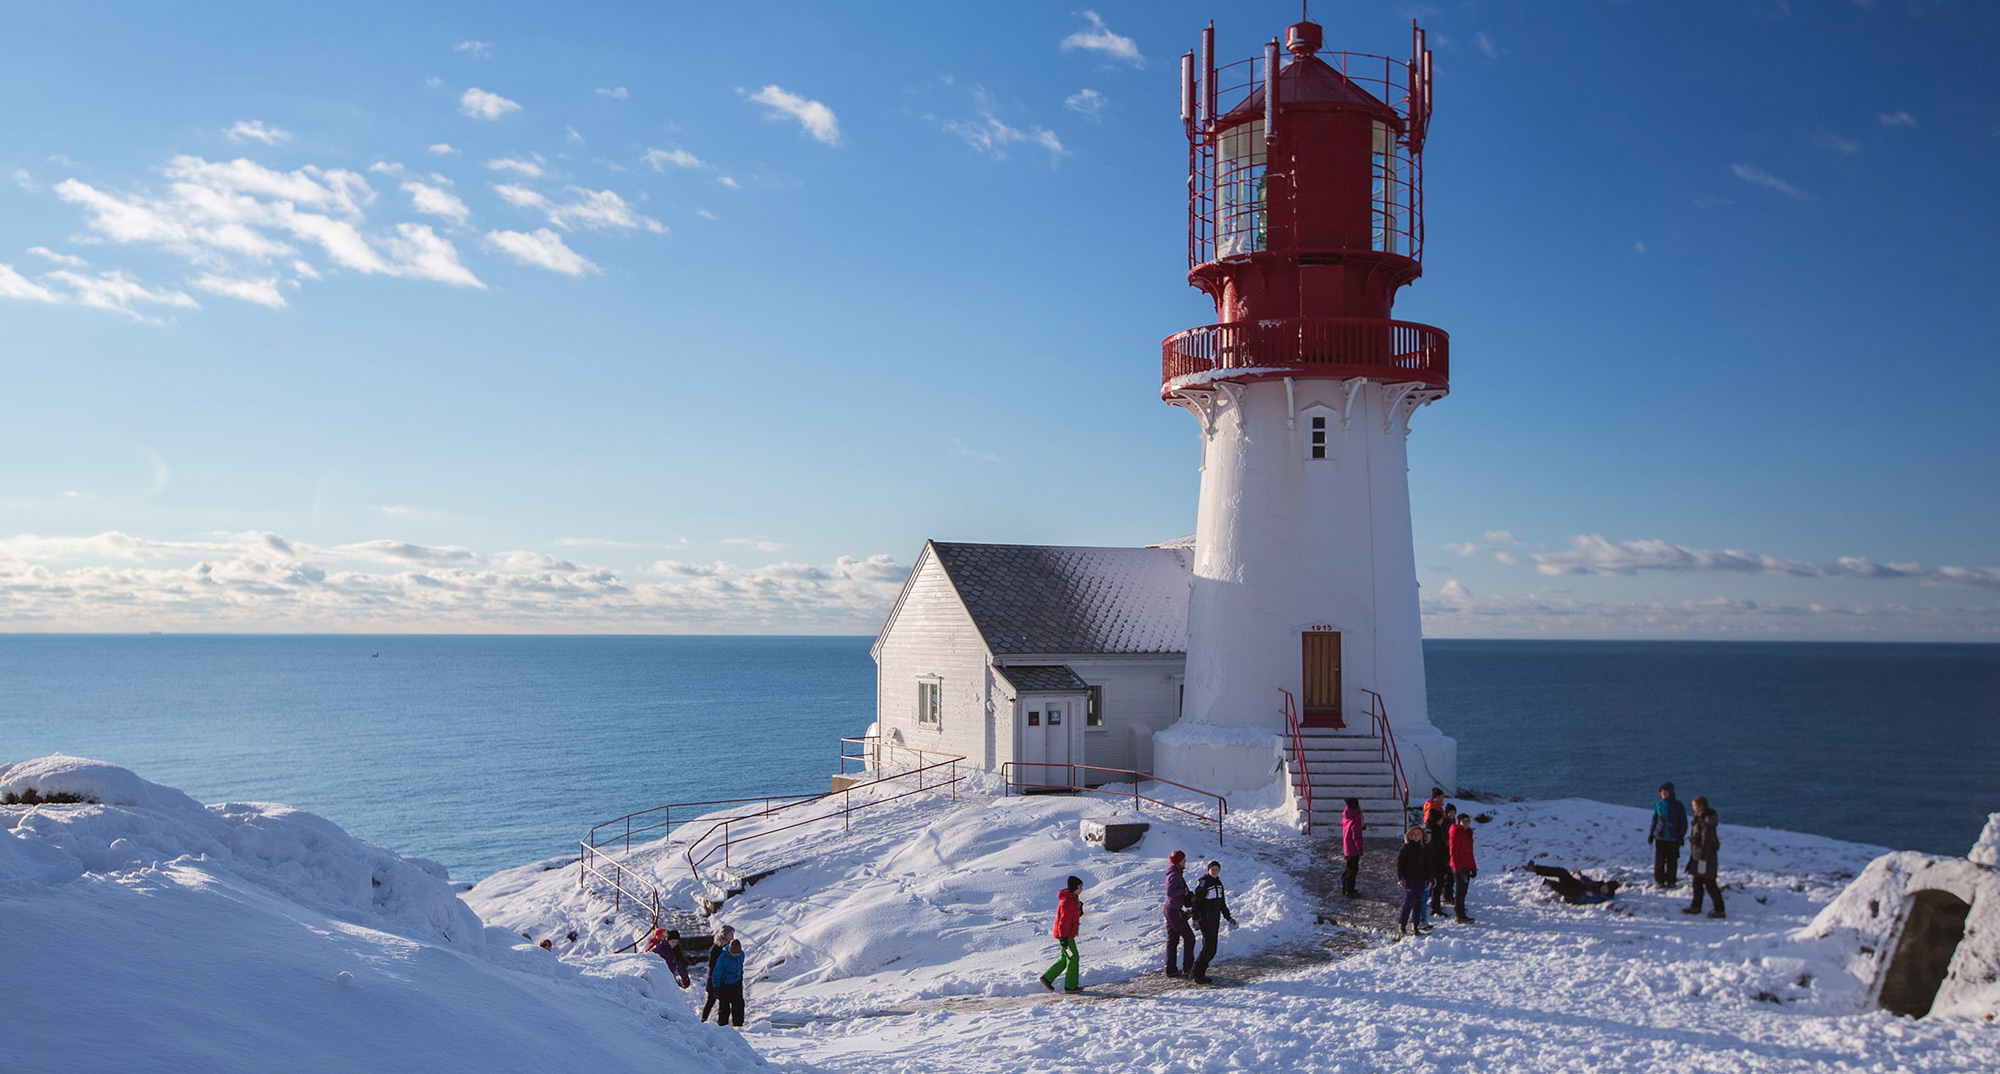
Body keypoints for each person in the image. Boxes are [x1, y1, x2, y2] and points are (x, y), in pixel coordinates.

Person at [1189, 859, 1237, 984]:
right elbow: (1195, 902)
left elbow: (1222, 903)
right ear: (1208, 870)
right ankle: (1196, 973)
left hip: (1215, 920)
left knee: (1212, 949)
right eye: (1212, 869)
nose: (1215, 871)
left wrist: (1228, 917)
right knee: (1209, 948)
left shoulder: (1219, 884)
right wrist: (1195, 918)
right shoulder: (1204, 883)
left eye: (1217, 869)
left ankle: (1200, 972)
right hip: (1205, 920)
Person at [1040, 875, 1085, 992]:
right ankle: (1070, 986)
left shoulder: (1073, 900)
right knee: (1073, 957)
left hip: (1066, 935)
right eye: (1080, 886)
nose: (1081, 889)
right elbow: (1063, 922)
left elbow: (1072, 918)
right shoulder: (1067, 902)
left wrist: (1079, 909)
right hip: (1065, 935)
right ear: (1074, 887)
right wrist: (1063, 938)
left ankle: (1047, 977)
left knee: (1065, 958)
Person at [1683, 796, 1724, 919]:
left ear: (1701, 806)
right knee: (1697, 882)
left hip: (1704, 858)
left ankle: (1719, 909)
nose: (1693, 808)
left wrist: (1702, 858)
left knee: (1709, 882)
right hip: (1699, 855)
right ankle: (1696, 906)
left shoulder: (1706, 822)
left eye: (1695, 806)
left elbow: (1706, 841)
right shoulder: (1700, 819)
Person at [1648, 782, 1689, 889]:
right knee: (1659, 861)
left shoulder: (1678, 806)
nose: (1663, 793)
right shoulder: (1659, 805)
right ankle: (1659, 881)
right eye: (1661, 792)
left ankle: (1671, 881)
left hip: (1673, 837)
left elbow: (1683, 822)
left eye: (1665, 791)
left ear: (1671, 792)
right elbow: (1655, 821)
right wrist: (1651, 834)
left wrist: (1681, 836)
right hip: (1660, 837)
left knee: (1672, 860)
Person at [1163, 850, 1196, 976]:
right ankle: (1188, 967)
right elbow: (1170, 892)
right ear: (1178, 861)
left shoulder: (1174, 872)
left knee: (1173, 939)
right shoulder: (1175, 875)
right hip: (1174, 910)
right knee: (1189, 938)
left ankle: (1170, 968)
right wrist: (1184, 891)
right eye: (1183, 859)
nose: (1185, 861)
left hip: (1170, 908)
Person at [1528, 862, 1622, 905]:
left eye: (1605, 890)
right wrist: (1581, 875)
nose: (1603, 889)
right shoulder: (1599, 885)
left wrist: (1591, 895)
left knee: (1571, 891)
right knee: (1562, 872)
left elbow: (1595, 899)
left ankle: (1550, 883)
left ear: (1608, 892)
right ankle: (1535, 869)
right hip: (1578, 886)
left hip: (1576, 896)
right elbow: (1589, 882)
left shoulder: (1604, 897)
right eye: (1604, 886)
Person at [1396, 826, 1430, 938]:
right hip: (1409, 878)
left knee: (1418, 902)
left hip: (1420, 878)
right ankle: (1402, 924)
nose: (1415, 837)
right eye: (1413, 834)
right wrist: (1400, 877)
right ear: (1410, 836)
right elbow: (1400, 864)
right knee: (1408, 901)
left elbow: (1427, 864)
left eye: (1418, 834)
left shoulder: (1423, 849)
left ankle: (1415, 924)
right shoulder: (1406, 848)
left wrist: (1428, 877)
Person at [700, 924, 736, 1022]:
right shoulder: (716, 948)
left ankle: (721, 1022)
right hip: (714, 979)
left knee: (723, 1003)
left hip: (723, 980)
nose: (732, 936)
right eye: (731, 934)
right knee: (711, 1001)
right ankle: (703, 1019)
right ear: (725, 935)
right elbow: (712, 966)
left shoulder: (729, 948)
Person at [708, 937, 746, 1028]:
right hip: (724, 984)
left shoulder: (741, 955)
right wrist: (716, 987)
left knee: (738, 1004)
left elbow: (740, 965)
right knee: (724, 1006)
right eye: (733, 953)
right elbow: (716, 974)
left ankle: (738, 1025)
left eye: (737, 953)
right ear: (729, 950)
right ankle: (723, 1026)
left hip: (736, 982)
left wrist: (739, 975)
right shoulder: (722, 958)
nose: (735, 955)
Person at [1448, 813, 1477, 923]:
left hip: (1466, 865)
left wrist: (1473, 867)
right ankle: (1459, 914)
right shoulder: (1456, 832)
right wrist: (1457, 868)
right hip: (1459, 866)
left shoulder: (1467, 833)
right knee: (1460, 890)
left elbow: (1470, 853)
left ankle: (1460, 911)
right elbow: (1453, 852)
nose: (1466, 823)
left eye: (1467, 821)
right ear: (1459, 822)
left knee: (1463, 890)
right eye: (1463, 821)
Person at [1425, 806, 1452, 916]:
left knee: (1436, 885)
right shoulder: (1435, 831)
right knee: (1437, 885)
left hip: (1436, 863)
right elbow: (1438, 849)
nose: (1441, 821)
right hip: (1437, 863)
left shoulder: (1432, 830)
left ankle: (1434, 904)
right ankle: (1435, 906)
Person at [1340, 798, 1364, 898]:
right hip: (1353, 848)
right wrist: (1360, 849)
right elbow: (1356, 836)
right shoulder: (1356, 818)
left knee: (1349, 867)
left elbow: (1344, 826)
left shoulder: (1346, 815)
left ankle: (1345, 887)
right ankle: (1349, 890)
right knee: (1353, 869)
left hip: (1347, 846)